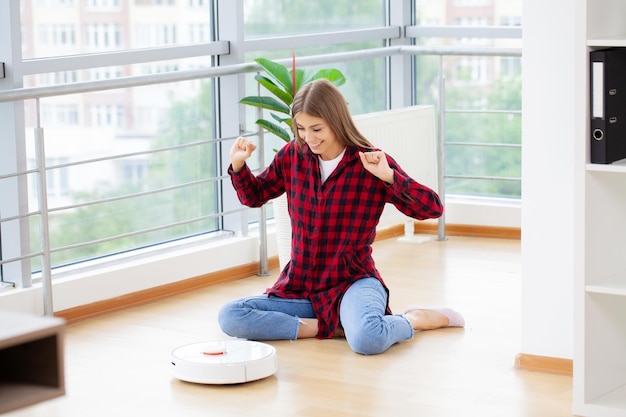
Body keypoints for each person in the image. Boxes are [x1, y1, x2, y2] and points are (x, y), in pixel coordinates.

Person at [218, 79, 464, 355]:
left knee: (367, 340)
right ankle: (330, 327)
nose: (308, 138)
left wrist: (390, 177)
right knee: (230, 315)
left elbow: (431, 209)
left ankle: (413, 319)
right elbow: (255, 195)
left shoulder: (370, 163)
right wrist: (239, 165)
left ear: (336, 121)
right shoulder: (292, 156)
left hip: (352, 283)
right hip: (302, 288)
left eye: (316, 129)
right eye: (301, 129)